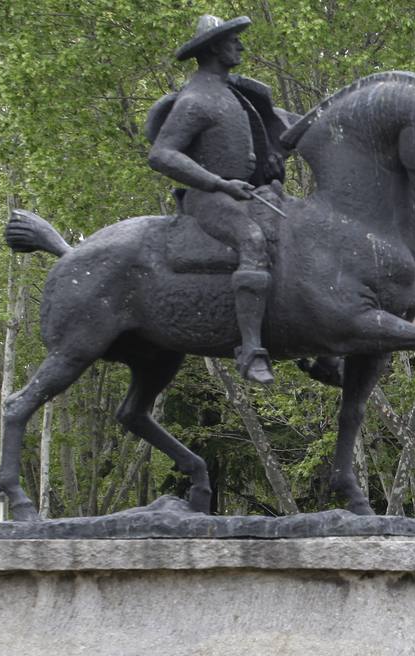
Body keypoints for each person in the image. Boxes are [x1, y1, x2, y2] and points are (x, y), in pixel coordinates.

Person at [146, 14, 293, 384]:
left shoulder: (235, 92)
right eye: (233, 41)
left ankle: (313, 350)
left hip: (245, 192)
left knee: (296, 236)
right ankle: (251, 349)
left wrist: (270, 163)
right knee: (252, 240)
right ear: (214, 47)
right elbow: (162, 154)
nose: (241, 46)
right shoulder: (196, 99)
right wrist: (217, 183)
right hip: (209, 198)